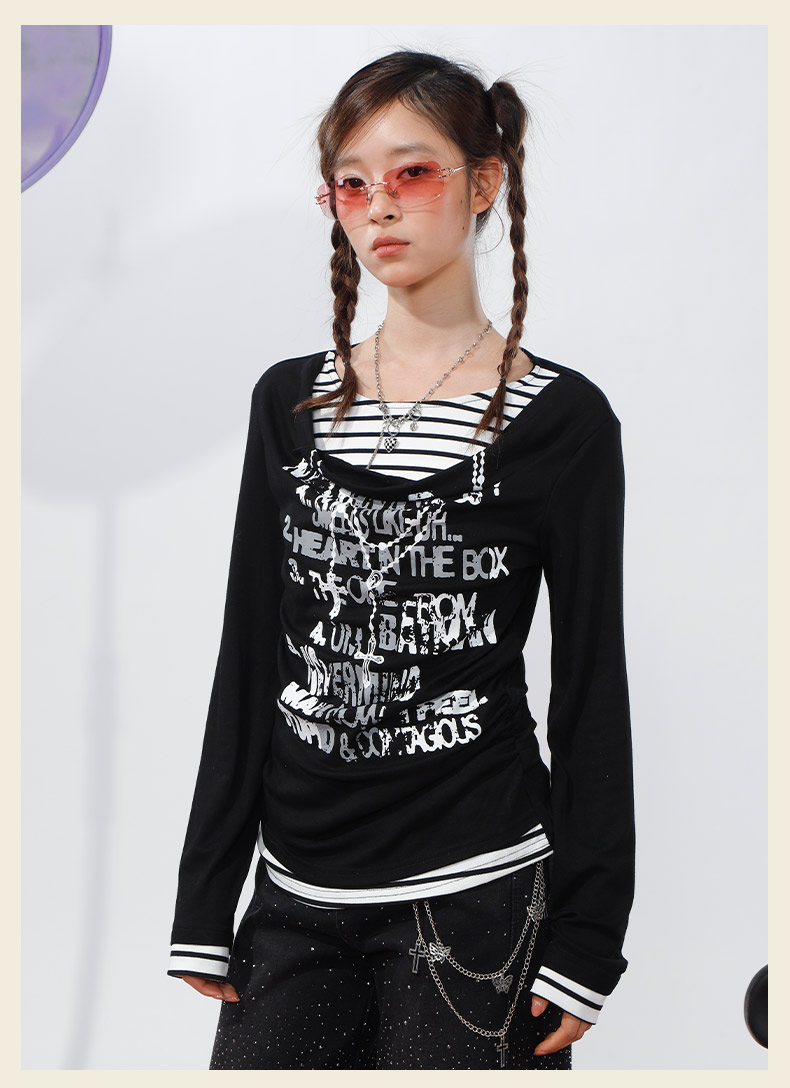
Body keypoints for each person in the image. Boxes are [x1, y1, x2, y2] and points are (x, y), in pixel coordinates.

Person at [166, 48, 635, 1071]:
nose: (378, 204)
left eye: (412, 172)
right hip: (294, 893)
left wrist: (590, 933)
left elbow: (590, 685)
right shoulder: (289, 403)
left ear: (484, 181)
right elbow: (252, 651)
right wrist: (207, 889)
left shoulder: (560, 422)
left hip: (480, 898)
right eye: (350, 182)